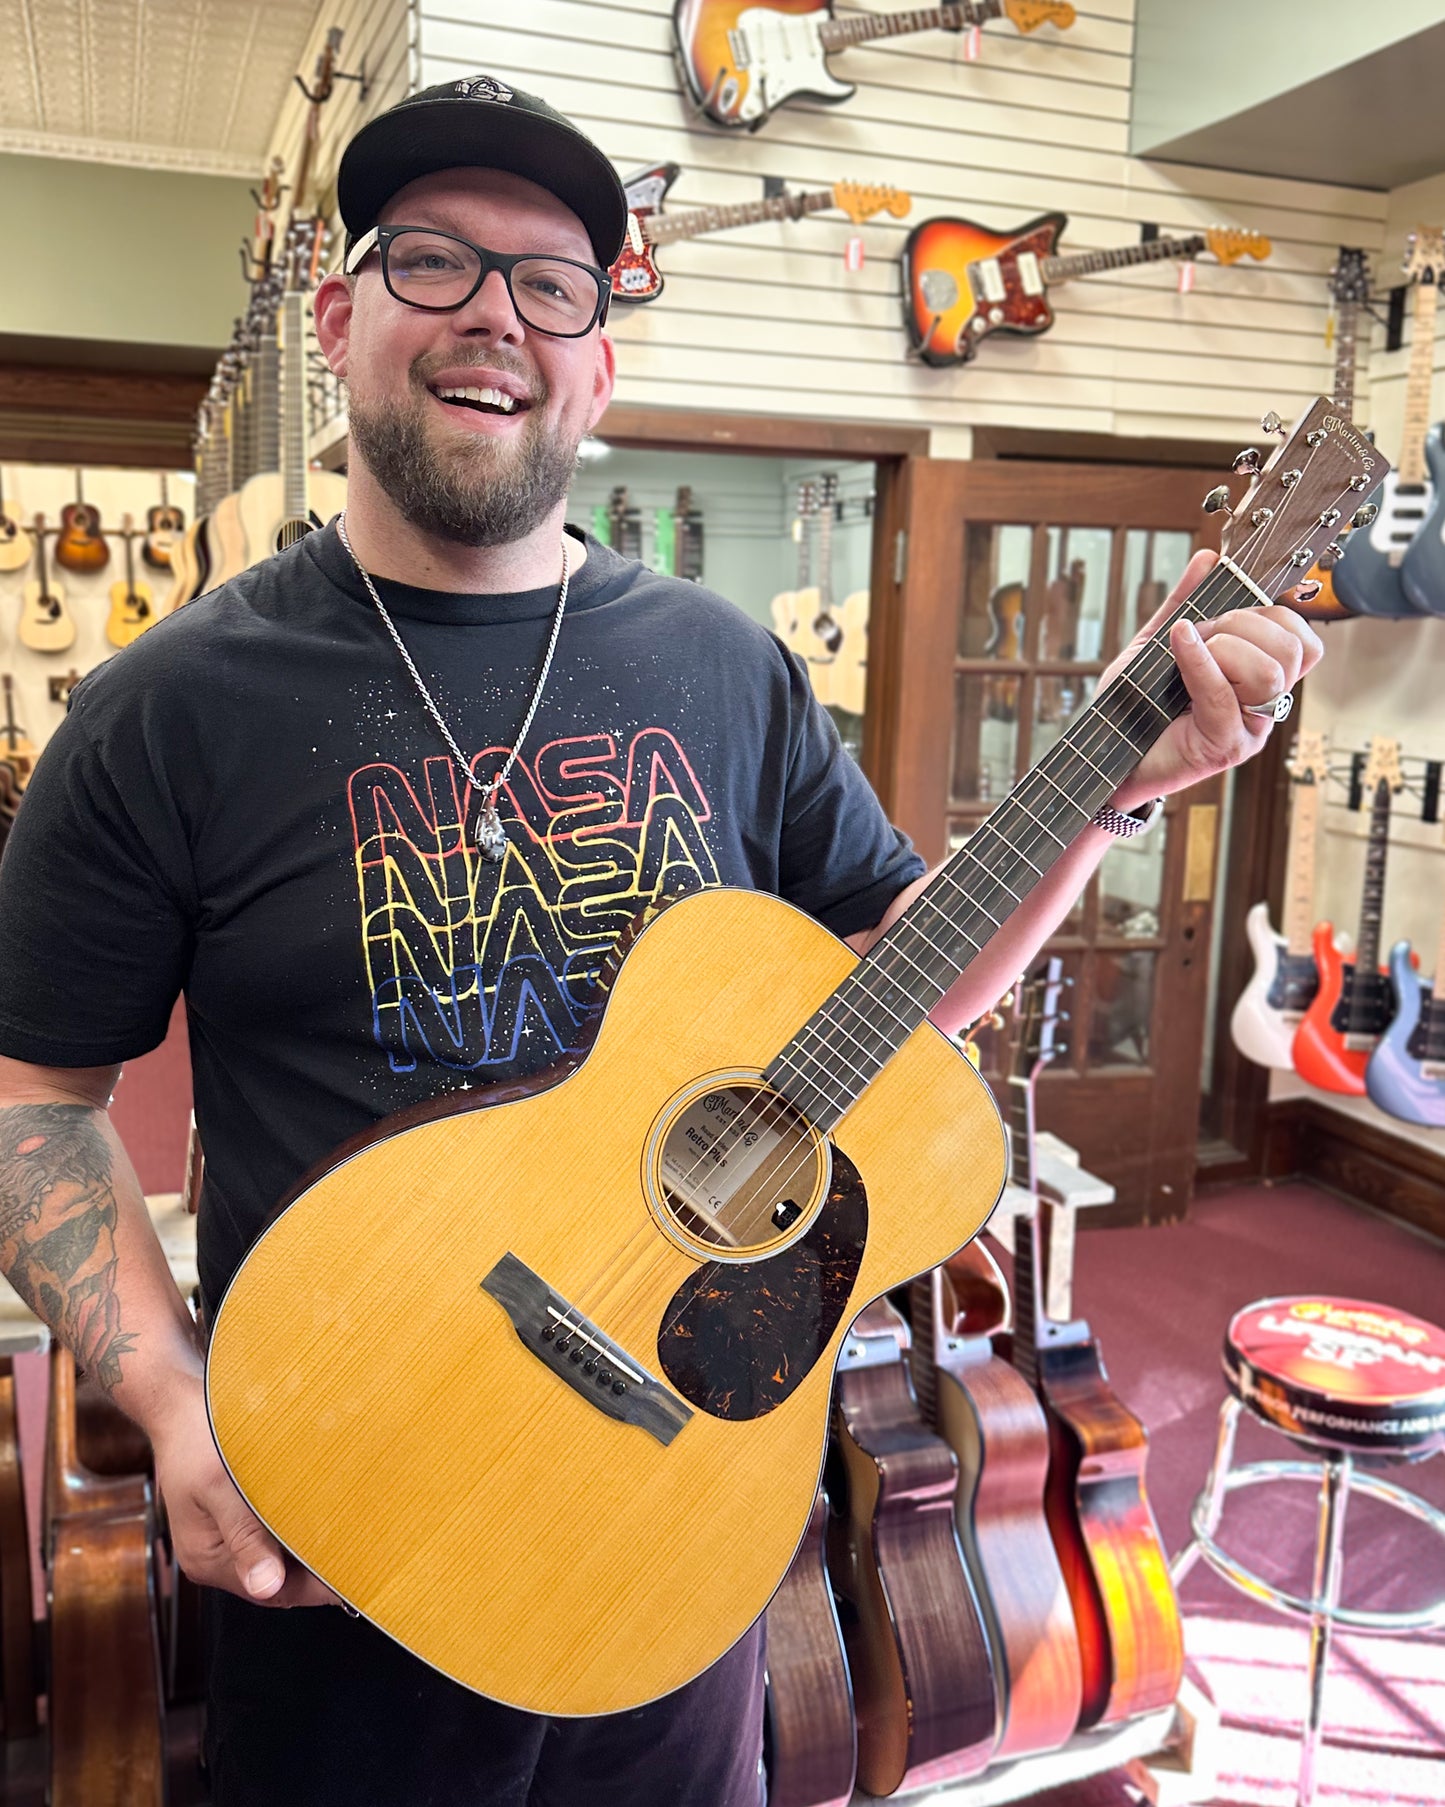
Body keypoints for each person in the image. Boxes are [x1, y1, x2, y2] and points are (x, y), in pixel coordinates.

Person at [0, 78, 1320, 1807]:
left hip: (683, 1497)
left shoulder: (723, 666)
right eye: (433, 264)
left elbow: (893, 994)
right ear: (338, 320)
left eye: (553, 285)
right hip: (354, 1503)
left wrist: (1104, 795)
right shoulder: (162, 711)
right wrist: (170, 1402)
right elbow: (35, 1102)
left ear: (599, 364)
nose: (494, 315)